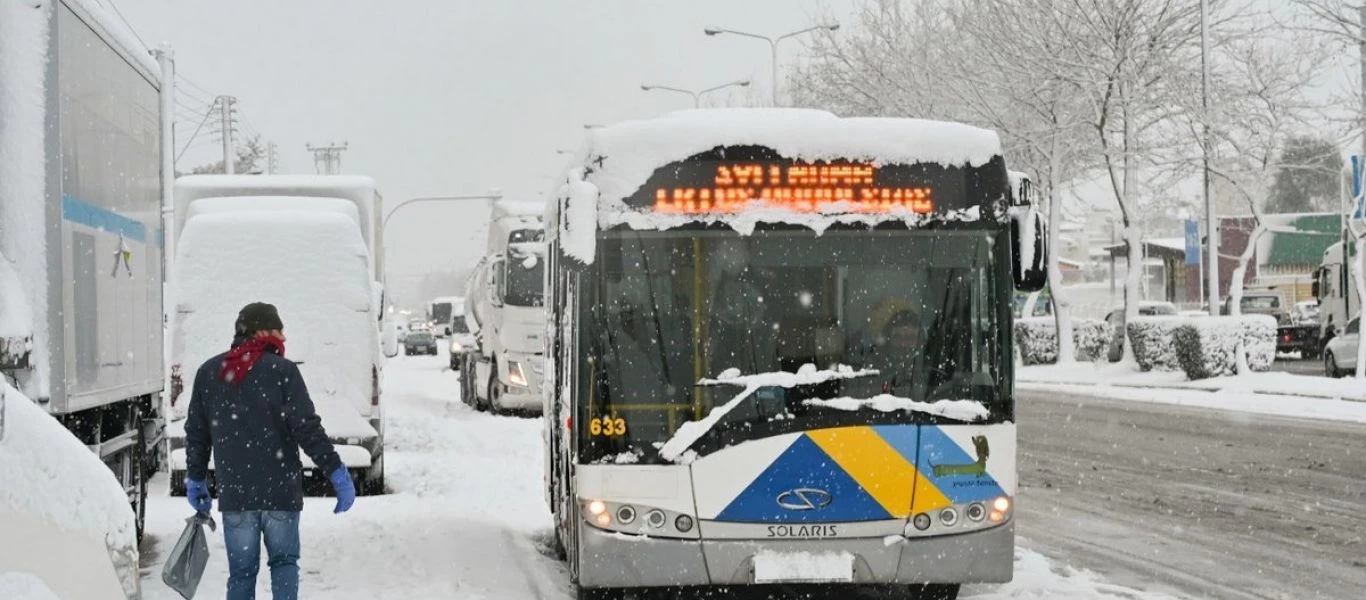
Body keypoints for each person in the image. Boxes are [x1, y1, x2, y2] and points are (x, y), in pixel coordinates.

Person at [184, 302, 355, 600]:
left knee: (241, 574)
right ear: (262, 330)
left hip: (237, 495)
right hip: (280, 494)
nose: (284, 337)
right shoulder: (283, 371)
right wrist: (335, 471)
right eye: (279, 329)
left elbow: (197, 434)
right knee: (284, 563)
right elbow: (307, 428)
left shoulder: (210, 372)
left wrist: (196, 478)